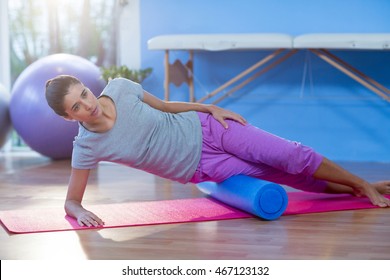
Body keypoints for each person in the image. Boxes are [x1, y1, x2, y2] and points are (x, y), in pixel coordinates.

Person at [45, 75, 390, 227]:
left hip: (209, 129)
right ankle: (359, 189)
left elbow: (165, 105)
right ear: (66, 117)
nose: (86, 106)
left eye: (84, 94)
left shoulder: (120, 89)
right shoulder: (86, 146)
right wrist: (79, 212)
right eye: (75, 107)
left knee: (292, 156)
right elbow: (71, 200)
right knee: (288, 177)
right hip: (205, 168)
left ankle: (365, 183)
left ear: (89, 89)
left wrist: (211, 109)